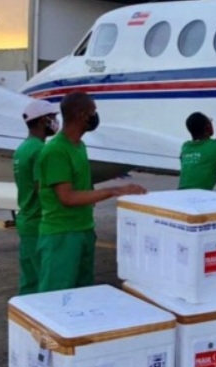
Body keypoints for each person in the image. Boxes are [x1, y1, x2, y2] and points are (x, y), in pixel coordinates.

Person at [35, 91, 147, 293]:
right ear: (81, 114)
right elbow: (67, 197)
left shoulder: (79, 146)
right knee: (56, 296)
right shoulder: (56, 151)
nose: (95, 117)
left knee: (82, 293)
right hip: (62, 235)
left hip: (83, 230)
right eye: (93, 112)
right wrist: (114, 191)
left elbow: (83, 188)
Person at [12, 99, 60, 295]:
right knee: (45, 280)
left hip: (25, 218)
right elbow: (44, 189)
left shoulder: (22, 149)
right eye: (53, 117)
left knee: (29, 279)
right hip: (39, 222)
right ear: (42, 121)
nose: (56, 121)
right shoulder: (41, 150)